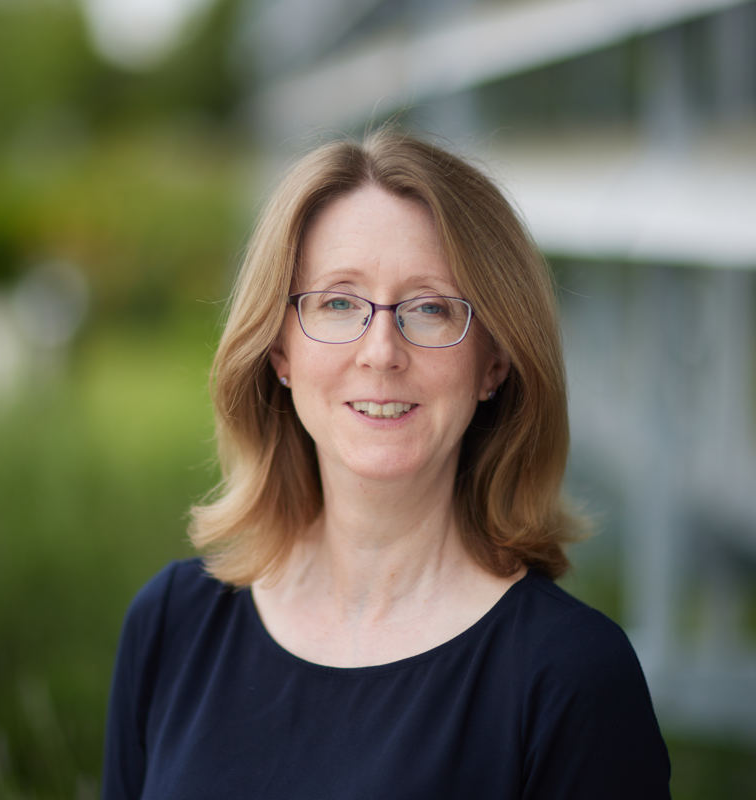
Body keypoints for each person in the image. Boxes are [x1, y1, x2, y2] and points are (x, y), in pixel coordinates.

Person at [101, 129, 670, 799]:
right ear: (280, 352)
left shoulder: (570, 678)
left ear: (495, 360)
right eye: (338, 302)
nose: (381, 351)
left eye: (430, 308)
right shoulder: (174, 625)